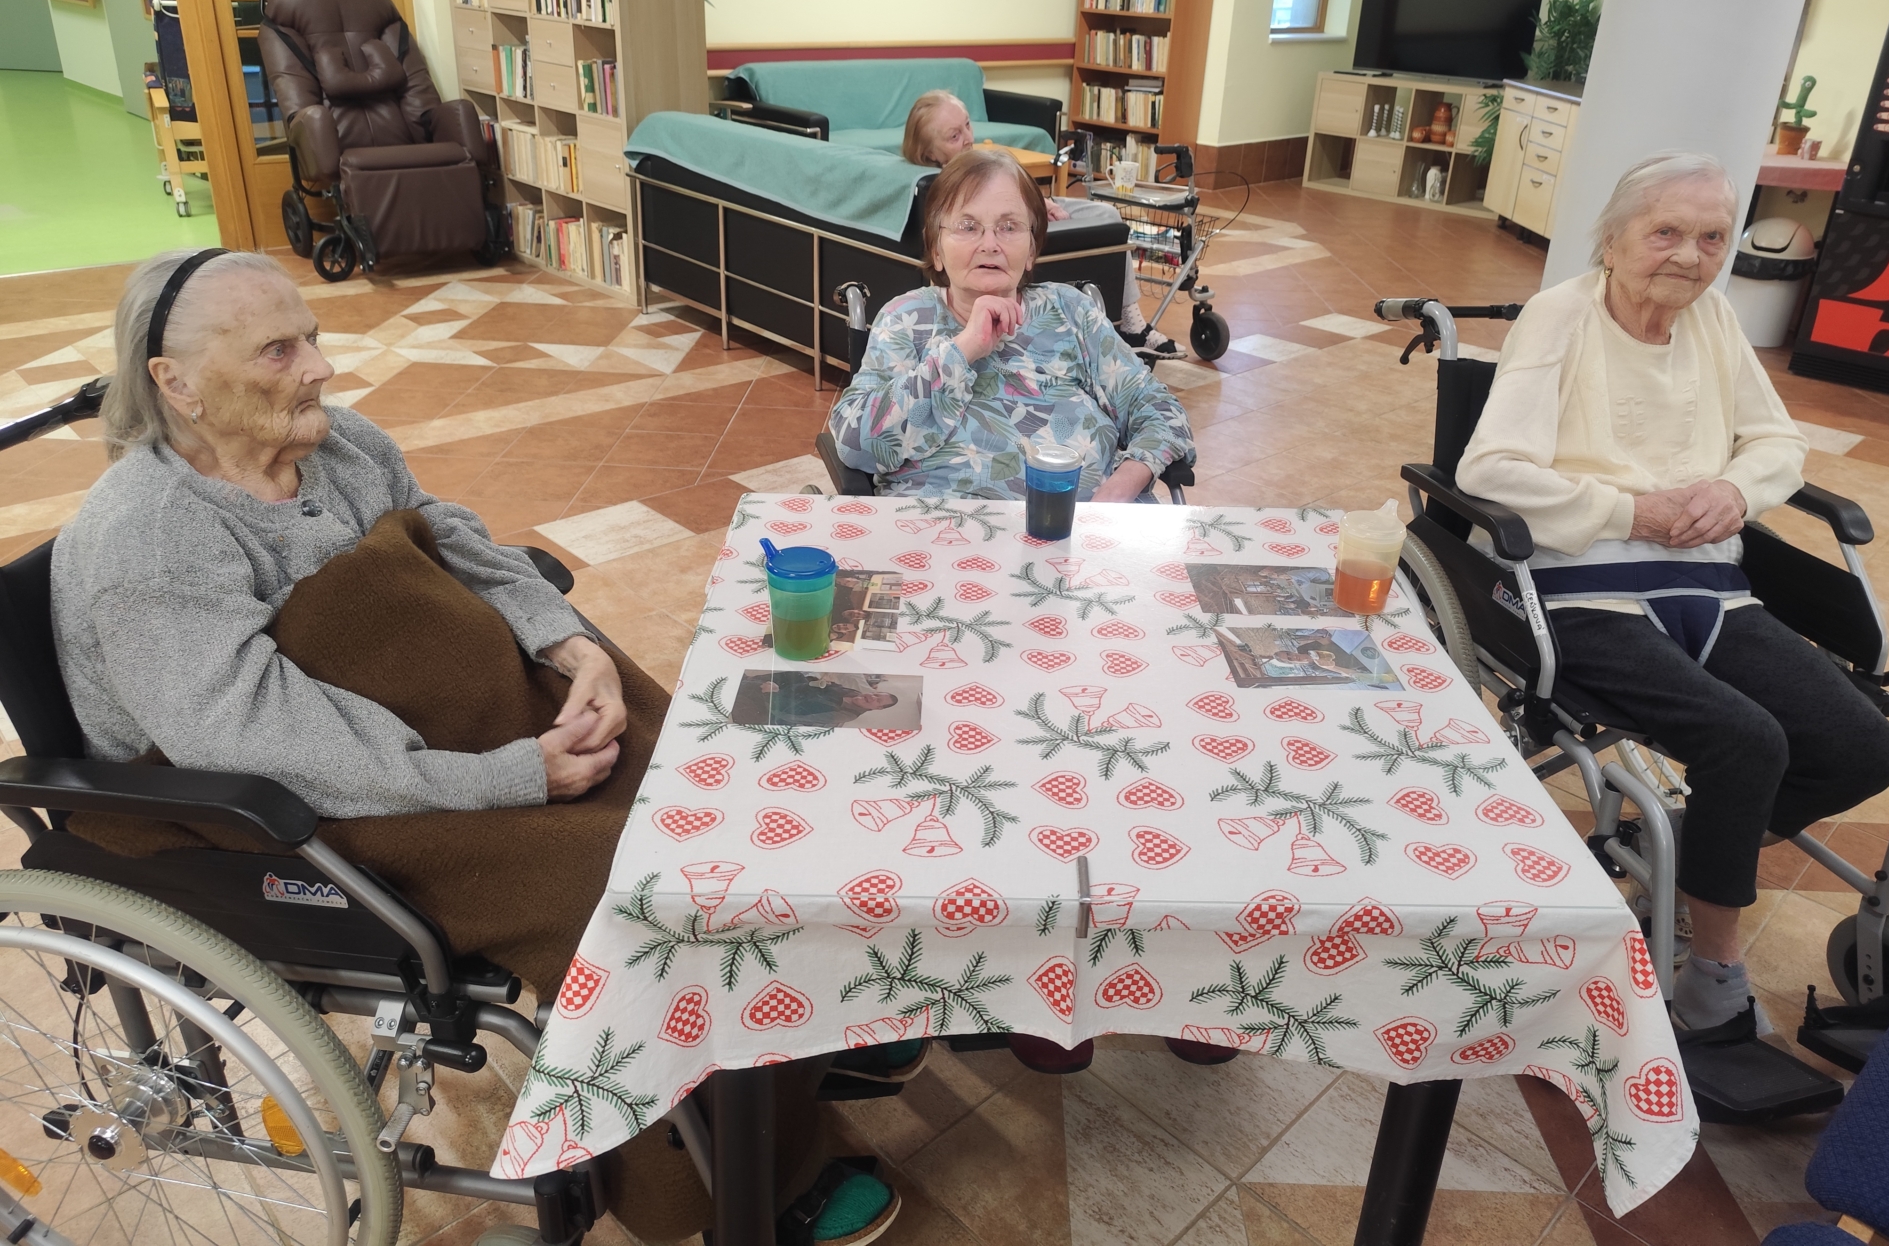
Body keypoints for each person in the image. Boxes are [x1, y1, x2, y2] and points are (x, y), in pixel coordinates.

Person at [52, 247, 899, 1244]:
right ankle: (738, 1183)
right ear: (177, 383)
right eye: (279, 351)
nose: (320, 367)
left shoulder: (341, 444)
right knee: (630, 887)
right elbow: (260, 738)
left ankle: (797, 1030)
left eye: (311, 338)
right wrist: (513, 776)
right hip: (289, 809)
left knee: (710, 778)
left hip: (438, 732)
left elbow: (450, 539)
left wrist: (570, 646)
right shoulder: (149, 540)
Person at [1455, 151, 1889, 1031]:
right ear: (1613, 238)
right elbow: (1491, 469)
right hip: (1578, 583)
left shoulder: (1712, 321)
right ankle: (1715, 973)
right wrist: (1632, 509)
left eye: (1712, 238)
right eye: (1665, 232)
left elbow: (1778, 442)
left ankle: (1688, 856)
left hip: (1707, 585)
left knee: (1862, 747)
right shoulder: (1561, 315)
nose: (1690, 257)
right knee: (1746, 740)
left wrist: (1736, 490)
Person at [828, 146, 1193, 501]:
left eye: (1008, 227)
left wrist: (1122, 485)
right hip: (944, 530)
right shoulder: (906, 319)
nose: (989, 244)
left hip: (1082, 528)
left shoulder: (1071, 312)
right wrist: (962, 350)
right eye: (968, 226)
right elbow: (855, 443)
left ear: (1032, 250)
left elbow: (1161, 411)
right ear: (936, 249)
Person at [900, 89, 1185, 357]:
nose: (967, 139)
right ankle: (1133, 325)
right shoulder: (945, 186)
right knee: (1107, 217)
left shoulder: (1073, 304)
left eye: (967, 126)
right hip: (1034, 209)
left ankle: (1132, 319)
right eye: (954, 136)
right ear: (930, 154)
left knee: (1109, 215)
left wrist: (1035, 202)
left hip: (1035, 204)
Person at [761, 673, 899, 726]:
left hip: (783, 705)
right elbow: (829, 686)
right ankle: (755, 681)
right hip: (796, 690)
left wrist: (773, 695)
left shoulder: (845, 715)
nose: (872, 697)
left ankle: (759, 686)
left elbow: (794, 716)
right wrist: (820, 682)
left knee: (757, 688)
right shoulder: (855, 693)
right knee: (796, 675)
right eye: (877, 694)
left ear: (878, 708)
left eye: (878, 701)